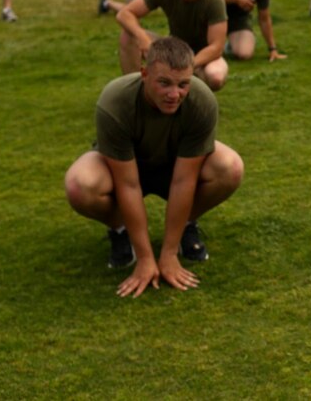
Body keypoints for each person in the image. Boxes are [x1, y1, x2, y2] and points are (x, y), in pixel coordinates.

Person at [63, 37, 244, 296]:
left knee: (230, 167)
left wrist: (167, 255)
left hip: (175, 168)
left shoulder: (201, 100)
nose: (174, 94)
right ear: (144, 74)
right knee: (79, 185)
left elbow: (184, 180)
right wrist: (148, 259)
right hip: (124, 169)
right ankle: (121, 231)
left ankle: (184, 229)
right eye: (164, 83)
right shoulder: (115, 101)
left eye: (183, 84)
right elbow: (128, 183)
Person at [115, 0, 228, 91]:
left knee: (215, 77)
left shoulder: (214, 0)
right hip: (175, 48)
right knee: (128, 35)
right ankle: (135, 91)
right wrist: (143, 39)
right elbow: (124, 13)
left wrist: (187, 66)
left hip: (203, 55)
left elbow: (216, 47)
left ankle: (196, 99)